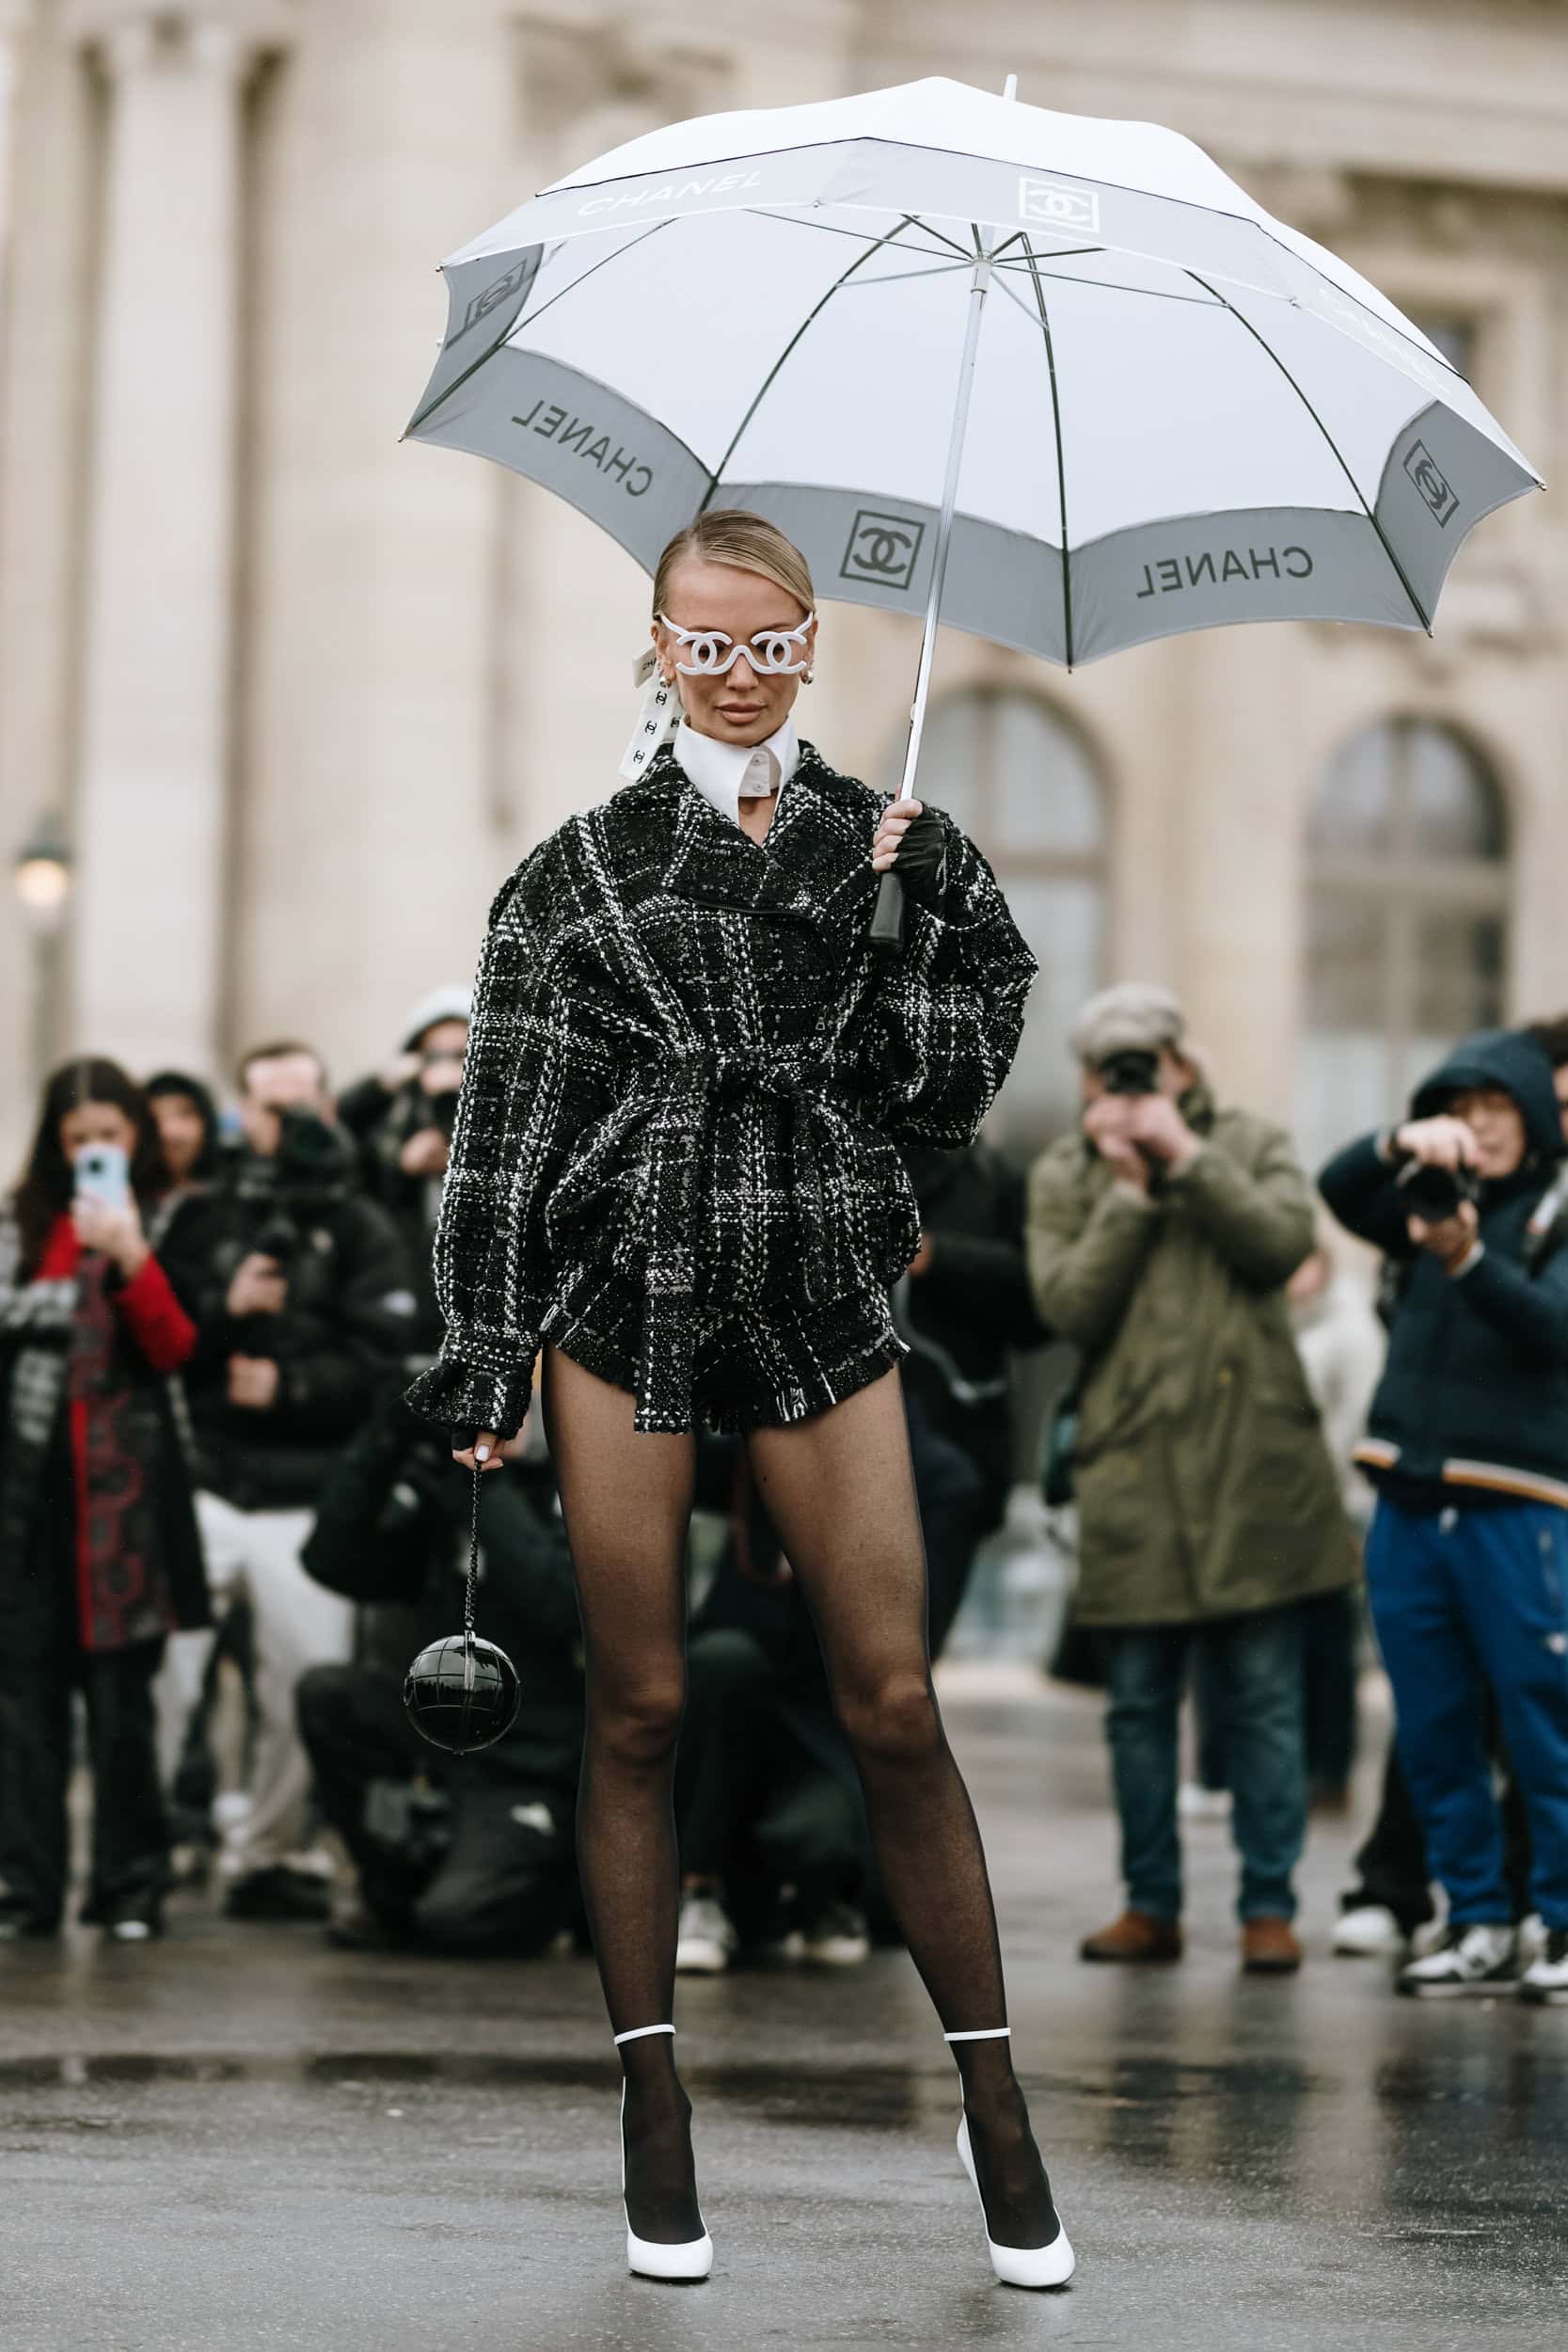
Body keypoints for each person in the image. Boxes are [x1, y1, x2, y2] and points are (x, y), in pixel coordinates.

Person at [408, 510, 1073, 2288]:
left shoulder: (884, 835)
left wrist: (926, 914)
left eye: (767, 639)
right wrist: (483, 1354)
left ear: (809, 638)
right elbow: (502, 1140)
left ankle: (994, 2103)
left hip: (818, 1288)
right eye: (704, 643)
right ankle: (651, 2100)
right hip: (617, 1293)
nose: (737, 669)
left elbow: (962, 1072)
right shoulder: (574, 870)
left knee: (896, 1698)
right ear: (655, 644)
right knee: (633, 1709)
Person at [1026, 984, 1358, 1976]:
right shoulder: (1069, 1170)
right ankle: (1149, 1903)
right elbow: (1065, 1309)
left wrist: (1186, 1156)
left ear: (1182, 1065)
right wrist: (1128, 1193)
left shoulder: (1246, 1144)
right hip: (1131, 1466)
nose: (1127, 1082)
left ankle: (1268, 1906)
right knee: (1134, 1703)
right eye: (1108, 1067)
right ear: (1085, 1077)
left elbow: (1279, 1247)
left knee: (1260, 1695)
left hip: (1250, 1463)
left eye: (1144, 1063)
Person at [1320, 1027, 1568, 2003]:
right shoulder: (1428, 1201)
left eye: (1492, 1110)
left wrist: (1465, 1259)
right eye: (1459, 1110)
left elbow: (1553, 1328)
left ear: (1531, 1118)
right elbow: (1336, 1189)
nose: (1476, 1127)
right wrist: (1399, 1144)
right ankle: (1474, 1921)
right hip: (1407, 1500)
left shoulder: (1553, 1206)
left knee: (1542, 1727)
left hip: (1520, 1504)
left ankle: (1556, 1920)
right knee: (1431, 1729)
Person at [169, 1041, 416, 1919]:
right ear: (244, 1116)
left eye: (302, 1105)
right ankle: (151, 1840)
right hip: (207, 1481)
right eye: (270, 1108)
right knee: (162, 1663)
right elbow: (152, 1338)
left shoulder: (361, 1229)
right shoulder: (203, 1220)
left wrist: (295, 1386)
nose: (288, 1124)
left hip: (305, 1494)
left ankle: (271, 1854)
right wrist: (218, 1311)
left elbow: (389, 1366)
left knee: (303, 1676)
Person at [0, 1060, 212, 1940]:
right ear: (56, 1141)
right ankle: (26, 1887)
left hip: (125, 1500)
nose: (94, 1152)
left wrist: (128, 1255)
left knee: (125, 1703)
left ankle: (130, 1884)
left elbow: (174, 1347)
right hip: (25, 1494)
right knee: (23, 1701)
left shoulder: (178, 1218)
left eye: (110, 1137)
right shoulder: (21, 1225)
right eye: (78, 1138)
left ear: (138, 1136)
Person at [294, 1388, 582, 1955]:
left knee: (461, 1919)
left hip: (527, 1763)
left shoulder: (572, 1489)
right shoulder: (442, 1489)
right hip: (438, 1738)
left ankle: (569, 1896)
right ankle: (389, 1892)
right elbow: (331, 1560)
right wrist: (387, 1435)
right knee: (329, 1694)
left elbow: (555, 1603)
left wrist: (489, 1482)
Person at [339, 990, 471, 1356]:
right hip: (408, 1306)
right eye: (434, 1055)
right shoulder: (394, 1120)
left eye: (462, 1053)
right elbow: (336, 1133)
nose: (449, 1068)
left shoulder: (515, 1113)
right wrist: (398, 1168)